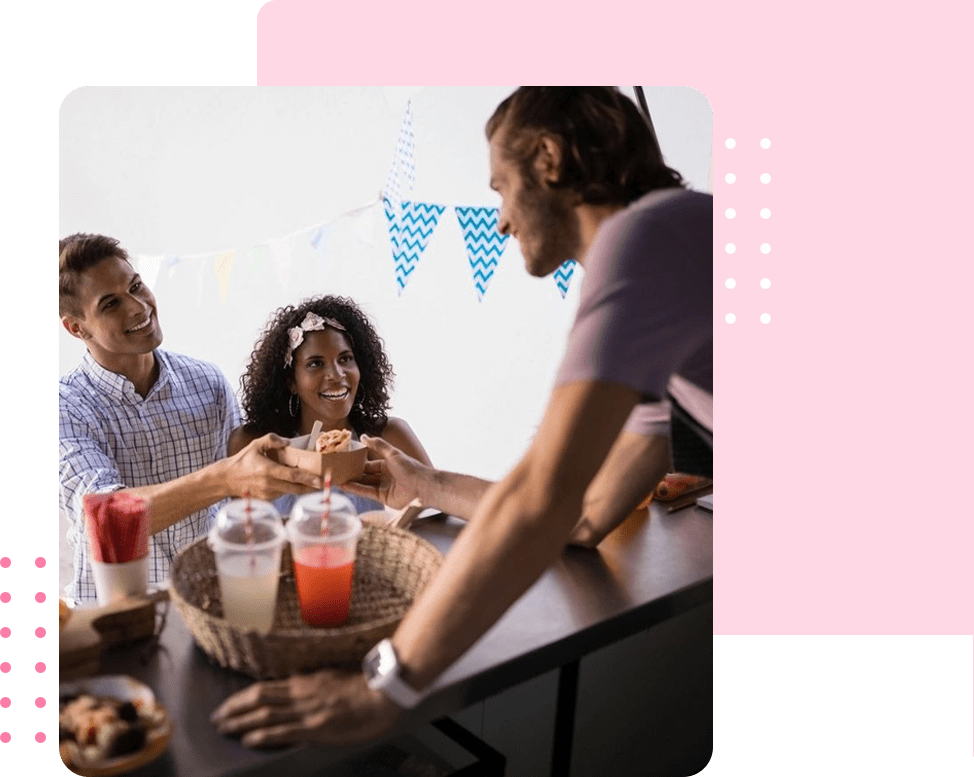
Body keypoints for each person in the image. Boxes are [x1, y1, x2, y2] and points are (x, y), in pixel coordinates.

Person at [211, 86, 712, 747]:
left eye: (501, 187)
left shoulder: (641, 240)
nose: (500, 220)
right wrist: (425, 482)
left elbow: (542, 499)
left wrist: (382, 686)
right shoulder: (676, 249)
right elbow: (585, 515)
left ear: (550, 158)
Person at [59, 233, 321, 603]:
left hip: (208, 601)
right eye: (111, 304)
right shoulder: (63, 408)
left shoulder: (207, 382)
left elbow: (240, 503)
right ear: (76, 328)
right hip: (116, 620)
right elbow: (106, 516)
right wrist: (225, 476)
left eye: (136, 286)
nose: (137, 307)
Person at [228, 295, 432, 515]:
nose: (336, 375)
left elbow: (437, 515)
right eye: (316, 364)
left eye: (345, 359)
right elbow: (244, 536)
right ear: (291, 382)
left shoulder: (388, 438)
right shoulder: (252, 445)